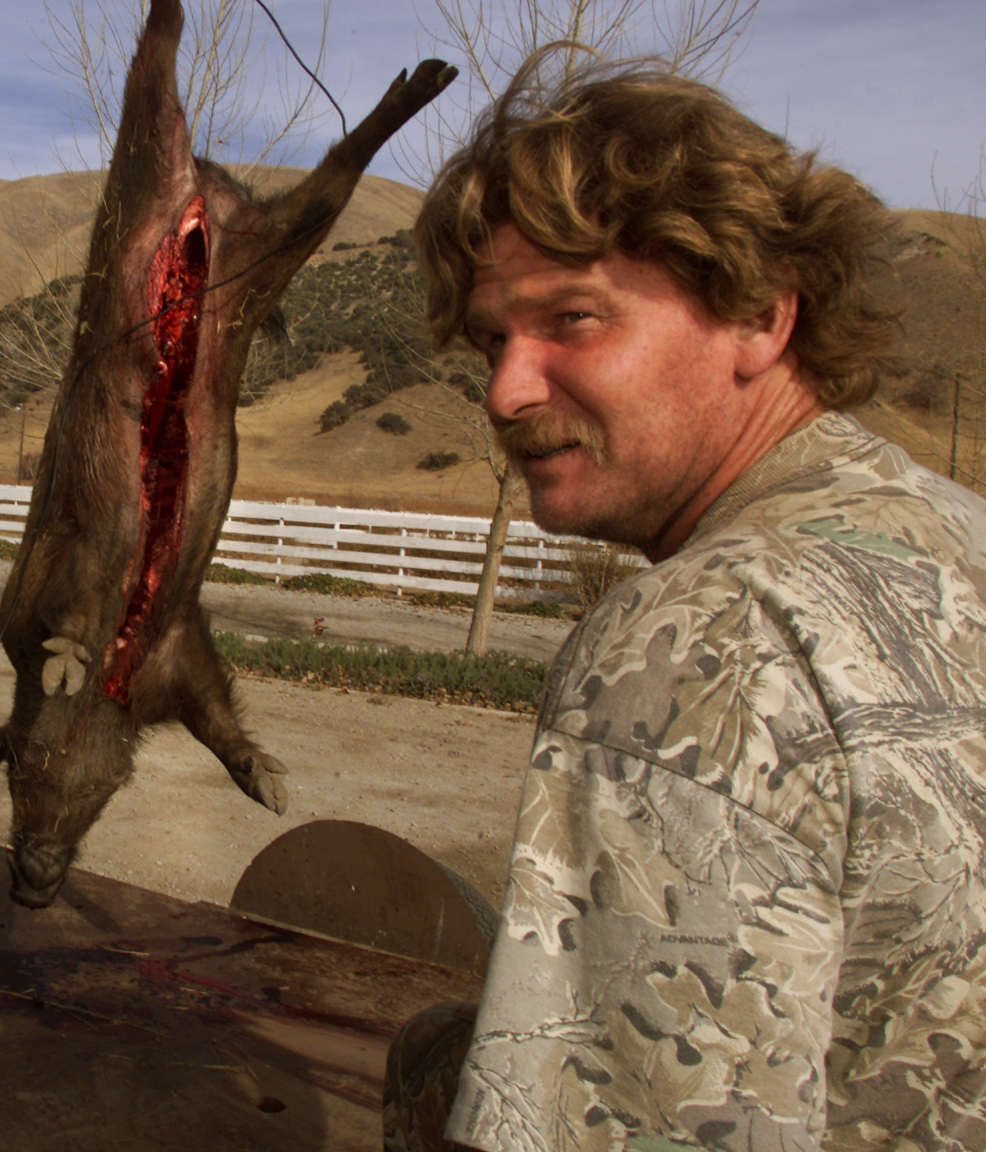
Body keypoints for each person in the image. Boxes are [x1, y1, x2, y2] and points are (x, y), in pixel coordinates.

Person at [385, 52, 986, 1152]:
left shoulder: (696, 643)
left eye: (572, 319)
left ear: (759, 314)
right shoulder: (954, 531)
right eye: (491, 340)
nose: (506, 391)